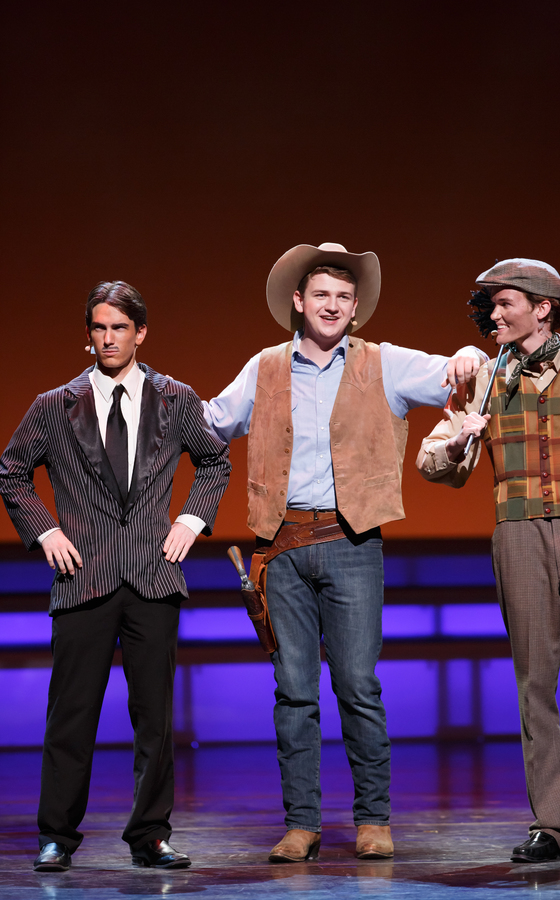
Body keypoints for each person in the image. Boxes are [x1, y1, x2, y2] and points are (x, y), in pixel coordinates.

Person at [204, 242, 484, 862]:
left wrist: (465, 354)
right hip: (280, 548)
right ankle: (302, 823)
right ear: (298, 303)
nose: (332, 307)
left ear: (355, 309)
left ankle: (373, 819)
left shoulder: (384, 364)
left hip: (352, 543)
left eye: (343, 298)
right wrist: (154, 404)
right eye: (321, 296)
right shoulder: (265, 367)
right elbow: (211, 422)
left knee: (358, 685)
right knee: (294, 690)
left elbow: (456, 371)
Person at [0, 281, 231, 871]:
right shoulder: (57, 404)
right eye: (99, 329)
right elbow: (11, 473)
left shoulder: (176, 399)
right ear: (88, 335)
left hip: (154, 578)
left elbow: (215, 459)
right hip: (84, 578)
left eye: (119, 329)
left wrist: (192, 517)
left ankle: (150, 834)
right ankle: (57, 834)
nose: (108, 339)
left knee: (154, 717)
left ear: (141, 333)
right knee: (71, 715)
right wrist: (45, 531)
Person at [416, 257, 560, 863]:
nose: (492, 316)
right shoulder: (488, 378)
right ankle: (551, 824)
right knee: (535, 680)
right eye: (490, 307)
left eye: (504, 304)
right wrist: (460, 438)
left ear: (542, 308)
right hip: (518, 534)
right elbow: (437, 468)